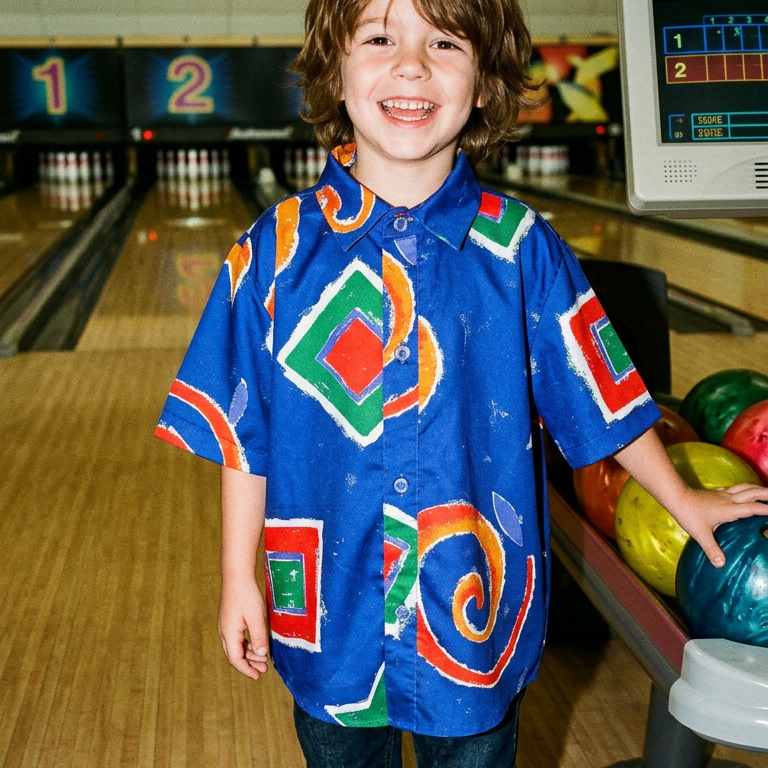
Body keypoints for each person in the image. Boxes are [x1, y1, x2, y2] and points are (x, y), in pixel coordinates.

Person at [154, 0, 768, 764]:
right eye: (379, 37)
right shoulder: (272, 254)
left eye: (444, 41)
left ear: (482, 83)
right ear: (334, 71)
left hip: (474, 620)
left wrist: (682, 497)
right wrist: (235, 578)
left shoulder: (520, 250)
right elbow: (246, 435)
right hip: (328, 614)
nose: (411, 63)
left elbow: (602, 398)